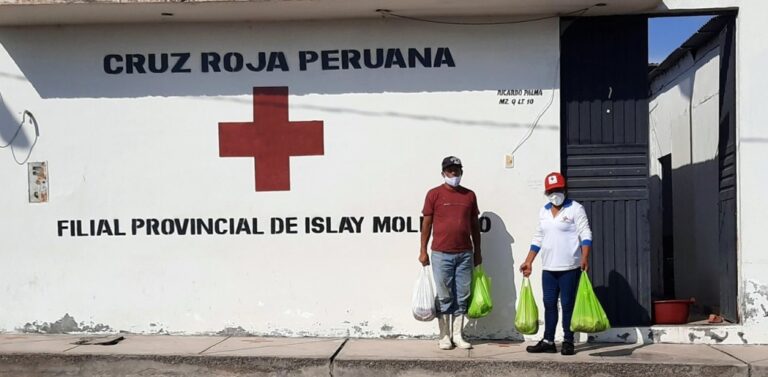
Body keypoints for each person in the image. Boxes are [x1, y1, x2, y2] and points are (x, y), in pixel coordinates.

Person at [519, 172, 592, 356]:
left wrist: (585, 257)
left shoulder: (576, 208)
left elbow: (586, 234)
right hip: (549, 269)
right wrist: (529, 261)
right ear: (546, 192)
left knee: (567, 304)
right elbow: (539, 237)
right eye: (551, 191)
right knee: (549, 304)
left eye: (558, 189)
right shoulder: (543, 211)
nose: (555, 193)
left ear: (565, 189)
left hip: (569, 268)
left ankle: (568, 341)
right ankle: (548, 341)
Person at [419, 156, 482, 350]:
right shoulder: (434, 194)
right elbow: (427, 224)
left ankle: (458, 335)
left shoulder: (469, 195)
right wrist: (422, 250)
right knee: (445, 296)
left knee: (462, 295)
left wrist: (478, 251)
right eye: (450, 170)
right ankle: (444, 335)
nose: (453, 174)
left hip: (464, 254)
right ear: (443, 173)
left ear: (461, 172)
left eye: (456, 170)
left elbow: (474, 225)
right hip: (441, 253)